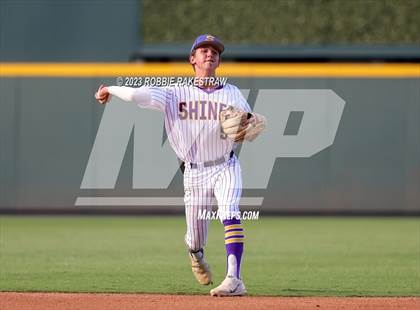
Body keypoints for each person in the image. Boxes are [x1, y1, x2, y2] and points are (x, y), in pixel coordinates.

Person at [94, 34, 265, 296]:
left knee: (230, 210)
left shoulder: (232, 93)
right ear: (192, 59)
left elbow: (249, 125)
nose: (210, 53)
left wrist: (248, 125)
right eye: (203, 50)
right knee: (196, 239)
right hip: (194, 172)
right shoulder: (175, 93)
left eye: (214, 51)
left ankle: (234, 278)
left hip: (226, 166)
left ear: (219, 60)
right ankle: (196, 255)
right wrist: (110, 89)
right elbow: (137, 95)